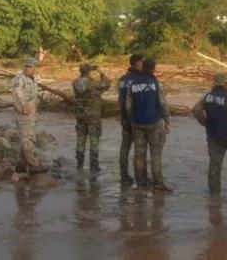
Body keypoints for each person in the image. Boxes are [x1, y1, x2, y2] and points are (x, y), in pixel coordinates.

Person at [125, 59, 172, 192]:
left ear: (142, 68)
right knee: (155, 154)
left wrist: (132, 120)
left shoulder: (132, 84)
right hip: (154, 122)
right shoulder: (156, 84)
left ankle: (140, 182)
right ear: (153, 69)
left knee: (139, 154)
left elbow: (128, 106)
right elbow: (163, 104)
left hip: (137, 122)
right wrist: (167, 121)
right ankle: (158, 184)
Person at [72, 63, 111, 171]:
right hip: (93, 117)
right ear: (89, 71)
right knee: (94, 142)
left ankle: (79, 165)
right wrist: (101, 72)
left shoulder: (75, 83)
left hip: (80, 116)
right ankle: (94, 165)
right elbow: (107, 83)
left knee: (80, 141)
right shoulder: (93, 84)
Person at [12, 57, 46, 173]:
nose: (27, 68)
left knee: (25, 138)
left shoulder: (34, 78)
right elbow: (17, 93)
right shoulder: (18, 78)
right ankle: (33, 165)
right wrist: (23, 107)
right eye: (26, 66)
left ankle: (20, 165)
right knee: (28, 138)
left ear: (34, 68)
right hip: (23, 113)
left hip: (31, 112)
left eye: (30, 66)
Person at [117, 54, 143, 183]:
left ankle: (123, 175)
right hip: (137, 120)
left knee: (125, 148)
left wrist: (122, 117)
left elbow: (120, 100)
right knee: (139, 150)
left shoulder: (121, 80)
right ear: (135, 65)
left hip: (124, 119)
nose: (141, 66)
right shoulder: (139, 80)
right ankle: (141, 178)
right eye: (140, 64)